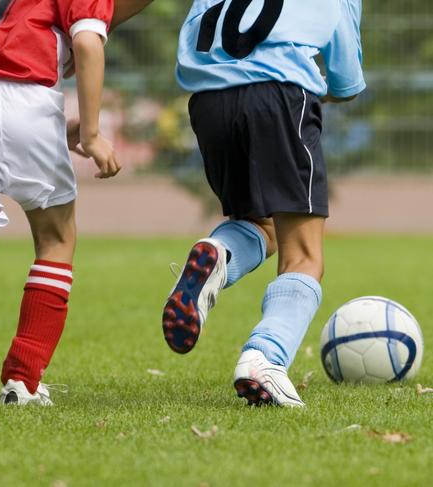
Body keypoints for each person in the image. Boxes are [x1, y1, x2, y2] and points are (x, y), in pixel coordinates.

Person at [0, 0, 152, 405]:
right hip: (24, 99)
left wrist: (58, 126)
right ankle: (23, 380)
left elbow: (8, 50)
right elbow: (89, 43)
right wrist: (90, 133)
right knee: (57, 240)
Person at [163, 0, 365, 407]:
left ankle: (218, 252)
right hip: (278, 95)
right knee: (304, 256)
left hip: (208, 102)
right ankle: (265, 358)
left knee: (260, 223)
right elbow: (345, 84)